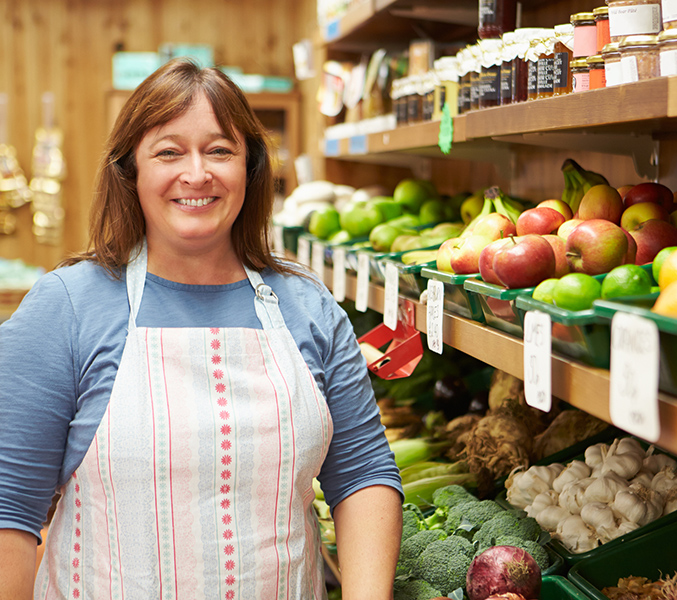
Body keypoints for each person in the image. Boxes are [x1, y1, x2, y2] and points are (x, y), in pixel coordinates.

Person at [0, 58, 403, 599]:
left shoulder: (307, 306)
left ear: (251, 168)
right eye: (168, 152)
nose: (196, 173)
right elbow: (10, 507)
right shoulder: (68, 306)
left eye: (220, 150)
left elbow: (362, 475)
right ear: (130, 172)